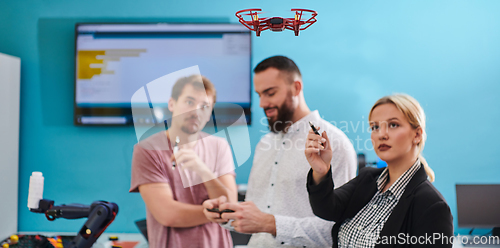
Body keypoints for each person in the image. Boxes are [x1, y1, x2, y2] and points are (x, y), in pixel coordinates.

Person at [203, 56, 357, 247]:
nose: (262, 103)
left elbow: (340, 229)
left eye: (270, 93)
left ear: (296, 88)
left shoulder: (334, 144)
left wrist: (270, 224)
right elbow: (254, 217)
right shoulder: (264, 144)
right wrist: (226, 214)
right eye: (259, 95)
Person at [306, 94, 453, 248]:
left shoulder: (433, 206)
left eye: (393, 125)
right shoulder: (367, 178)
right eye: (375, 127)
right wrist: (321, 171)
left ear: (417, 135)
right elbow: (326, 209)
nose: (382, 135)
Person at [129, 75, 237, 248]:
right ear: (172, 104)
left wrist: (203, 171)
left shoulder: (220, 146)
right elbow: (168, 214)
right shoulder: (148, 150)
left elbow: (231, 206)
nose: (196, 111)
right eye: (189, 102)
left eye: (204, 106)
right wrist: (216, 212)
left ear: (210, 114)